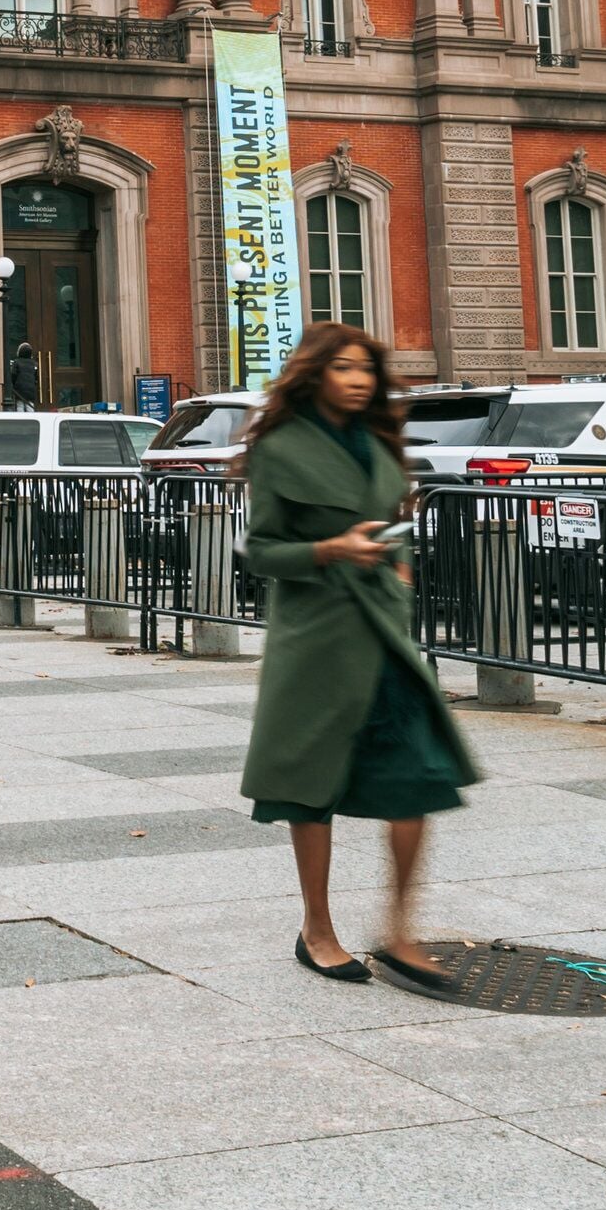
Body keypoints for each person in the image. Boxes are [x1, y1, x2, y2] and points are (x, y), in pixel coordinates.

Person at [238, 321, 481, 990]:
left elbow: (393, 522)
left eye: (366, 368)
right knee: (308, 786)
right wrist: (331, 550)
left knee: (419, 775)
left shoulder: (378, 440)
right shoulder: (279, 447)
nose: (358, 380)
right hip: (316, 637)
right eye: (343, 367)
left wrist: (398, 567)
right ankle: (317, 930)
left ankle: (399, 931)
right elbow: (260, 551)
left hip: (380, 633)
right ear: (314, 373)